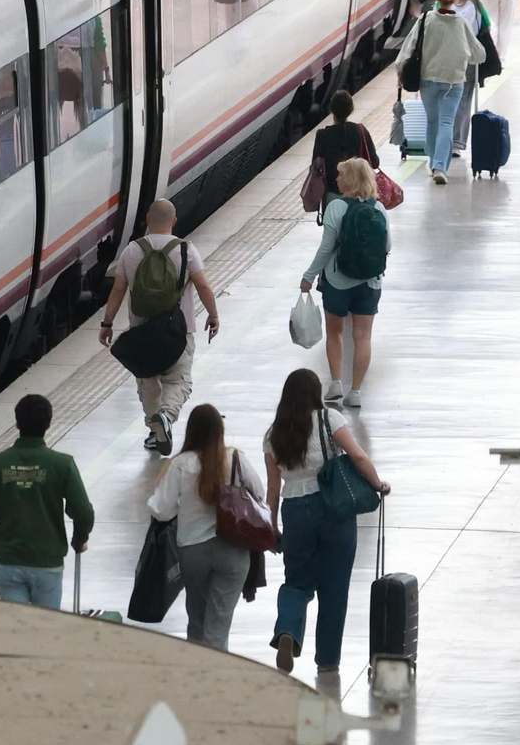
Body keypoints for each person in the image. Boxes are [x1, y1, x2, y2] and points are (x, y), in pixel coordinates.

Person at [265, 369, 390, 676]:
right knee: (334, 589)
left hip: (294, 510)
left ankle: (288, 631)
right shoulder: (328, 419)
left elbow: (272, 489)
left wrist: (271, 529)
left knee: (297, 582)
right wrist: (378, 484)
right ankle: (327, 662)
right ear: (315, 393)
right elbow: (358, 456)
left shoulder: (273, 435)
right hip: (333, 508)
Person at [98, 199, 223, 455]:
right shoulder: (186, 250)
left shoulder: (131, 251)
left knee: (148, 381)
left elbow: (118, 290)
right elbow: (203, 286)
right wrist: (213, 315)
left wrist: (107, 323)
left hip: (142, 331)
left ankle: (155, 431)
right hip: (179, 329)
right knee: (179, 380)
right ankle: (166, 417)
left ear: (147, 218)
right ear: (174, 221)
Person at [146, 404, 265, 649]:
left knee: (197, 620)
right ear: (219, 432)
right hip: (233, 550)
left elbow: (161, 510)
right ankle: (216, 675)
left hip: (192, 551)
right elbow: (259, 494)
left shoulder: (180, 464)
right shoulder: (234, 458)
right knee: (218, 625)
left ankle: (196, 672)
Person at [0, 394, 94, 609]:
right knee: (44, 630)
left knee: (16, 633)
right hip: (47, 562)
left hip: (9, 562)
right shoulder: (62, 464)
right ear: (49, 424)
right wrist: (79, 540)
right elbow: (83, 512)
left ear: (17, 424)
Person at [301, 159, 389, 407]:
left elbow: (326, 248)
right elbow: (388, 246)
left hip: (338, 281)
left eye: (340, 175)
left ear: (349, 179)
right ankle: (356, 392)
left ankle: (336, 384)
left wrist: (308, 276)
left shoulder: (335, 207)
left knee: (335, 331)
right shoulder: (379, 208)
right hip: (370, 282)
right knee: (363, 336)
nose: (336, 179)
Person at [396, 0, 484, 184]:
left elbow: (408, 49)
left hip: (429, 80)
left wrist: (400, 71)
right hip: (454, 82)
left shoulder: (426, 20)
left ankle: (433, 160)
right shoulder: (462, 23)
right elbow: (479, 54)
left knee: (433, 121)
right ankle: (439, 167)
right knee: (447, 122)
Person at [310, 90, 379, 213]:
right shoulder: (361, 131)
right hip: (361, 194)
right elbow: (375, 162)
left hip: (333, 194)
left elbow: (315, 167)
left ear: (332, 110)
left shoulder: (322, 135)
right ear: (351, 109)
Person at [445, 0, 486, 157]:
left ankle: (451, 140)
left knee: (448, 98)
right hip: (466, 59)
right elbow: (486, 25)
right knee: (462, 99)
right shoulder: (475, 5)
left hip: (449, 59)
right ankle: (456, 141)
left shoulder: (443, 4)